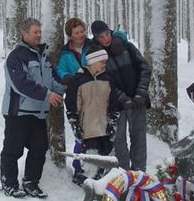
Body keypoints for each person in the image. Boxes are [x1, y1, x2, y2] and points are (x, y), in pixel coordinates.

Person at [0, 18, 65, 198]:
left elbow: (51, 80)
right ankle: (9, 183)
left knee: (39, 147)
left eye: (39, 31)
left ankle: (31, 182)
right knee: (13, 149)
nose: (39, 35)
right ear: (24, 33)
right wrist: (47, 95)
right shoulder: (16, 57)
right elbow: (21, 84)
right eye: (35, 32)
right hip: (18, 113)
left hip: (39, 113)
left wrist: (67, 86)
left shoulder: (42, 56)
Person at [90, 20, 150, 172]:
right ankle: (123, 175)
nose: (106, 39)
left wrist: (141, 92)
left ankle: (140, 174)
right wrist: (121, 97)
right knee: (119, 141)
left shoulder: (127, 47)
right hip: (115, 105)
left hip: (138, 101)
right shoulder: (96, 55)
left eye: (107, 34)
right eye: (101, 36)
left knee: (139, 138)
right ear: (96, 38)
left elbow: (144, 68)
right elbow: (102, 79)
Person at [64, 46, 126, 184]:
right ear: (92, 62)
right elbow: (71, 104)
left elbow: (113, 102)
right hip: (87, 128)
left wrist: (112, 121)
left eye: (105, 62)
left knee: (107, 152)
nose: (105, 65)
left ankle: (103, 178)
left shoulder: (108, 79)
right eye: (102, 62)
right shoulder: (79, 80)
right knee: (90, 154)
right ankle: (84, 177)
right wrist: (74, 123)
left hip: (104, 126)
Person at [56, 17, 93, 182]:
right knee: (80, 134)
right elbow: (61, 71)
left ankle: (94, 167)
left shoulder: (92, 47)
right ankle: (78, 168)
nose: (81, 35)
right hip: (75, 98)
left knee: (96, 133)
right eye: (77, 32)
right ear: (70, 35)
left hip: (95, 95)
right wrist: (69, 78)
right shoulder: (65, 53)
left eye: (82, 31)